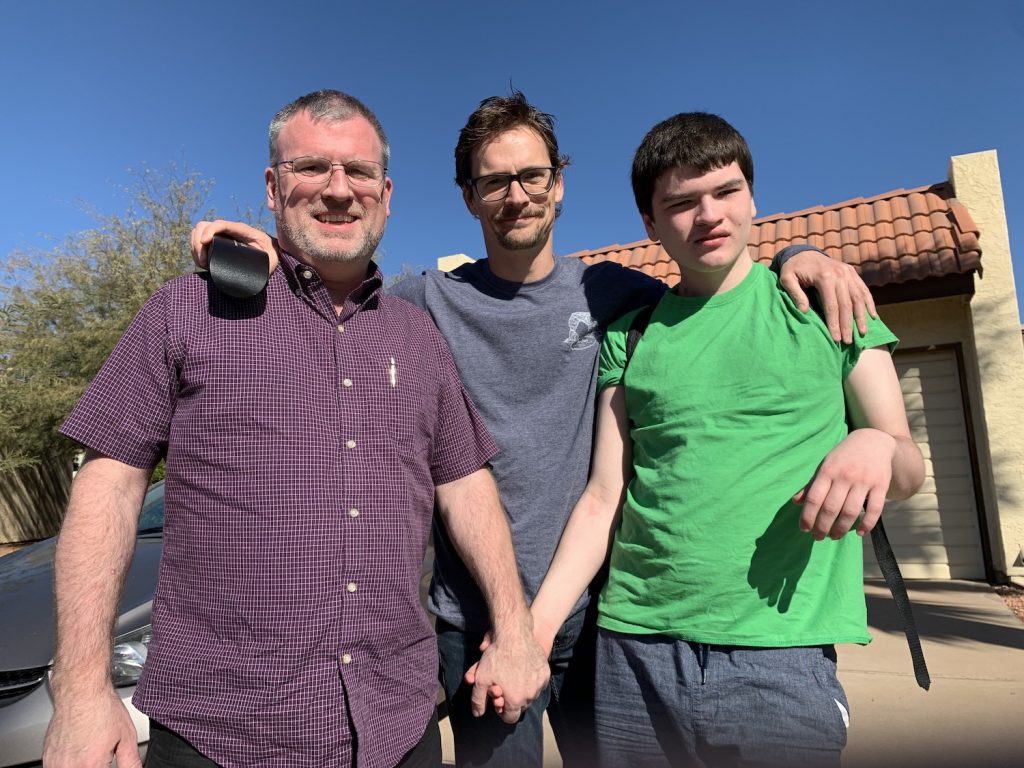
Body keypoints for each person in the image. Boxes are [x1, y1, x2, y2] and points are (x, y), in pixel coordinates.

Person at [190, 93, 877, 768]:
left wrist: (800, 256)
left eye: (532, 175)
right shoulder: (425, 302)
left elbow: (715, 281)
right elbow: (335, 301)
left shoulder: (615, 296)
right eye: (494, 181)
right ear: (469, 197)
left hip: (597, 617)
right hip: (473, 621)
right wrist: (270, 260)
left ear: (558, 185)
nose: (515, 194)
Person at [42, 89, 549, 768]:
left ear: (388, 193)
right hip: (219, 737)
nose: (339, 191)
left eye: (360, 172)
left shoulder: (418, 335)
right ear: (273, 187)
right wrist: (81, 689)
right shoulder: (187, 310)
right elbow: (110, 482)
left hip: (399, 726)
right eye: (312, 168)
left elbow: (465, 482)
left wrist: (515, 628)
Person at [524, 112, 926, 767]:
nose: (707, 214)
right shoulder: (631, 334)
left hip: (780, 650)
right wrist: (535, 631)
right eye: (680, 202)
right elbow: (603, 497)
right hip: (633, 645)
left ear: (752, 196)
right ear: (652, 226)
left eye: (725, 191)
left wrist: (877, 446)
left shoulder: (827, 307)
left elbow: (908, 465)